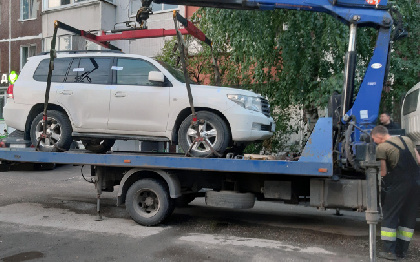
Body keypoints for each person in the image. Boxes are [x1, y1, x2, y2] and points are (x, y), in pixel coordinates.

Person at [371, 125, 420, 260]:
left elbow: (384, 172)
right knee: (408, 216)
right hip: (416, 183)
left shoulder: (382, 148)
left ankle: (389, 252)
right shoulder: (406, 139)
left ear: (379, 136)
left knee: (390, 215)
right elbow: (419, 160)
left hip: (400, 183)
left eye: (374, 139)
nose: (374, 141)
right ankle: (401, 251)